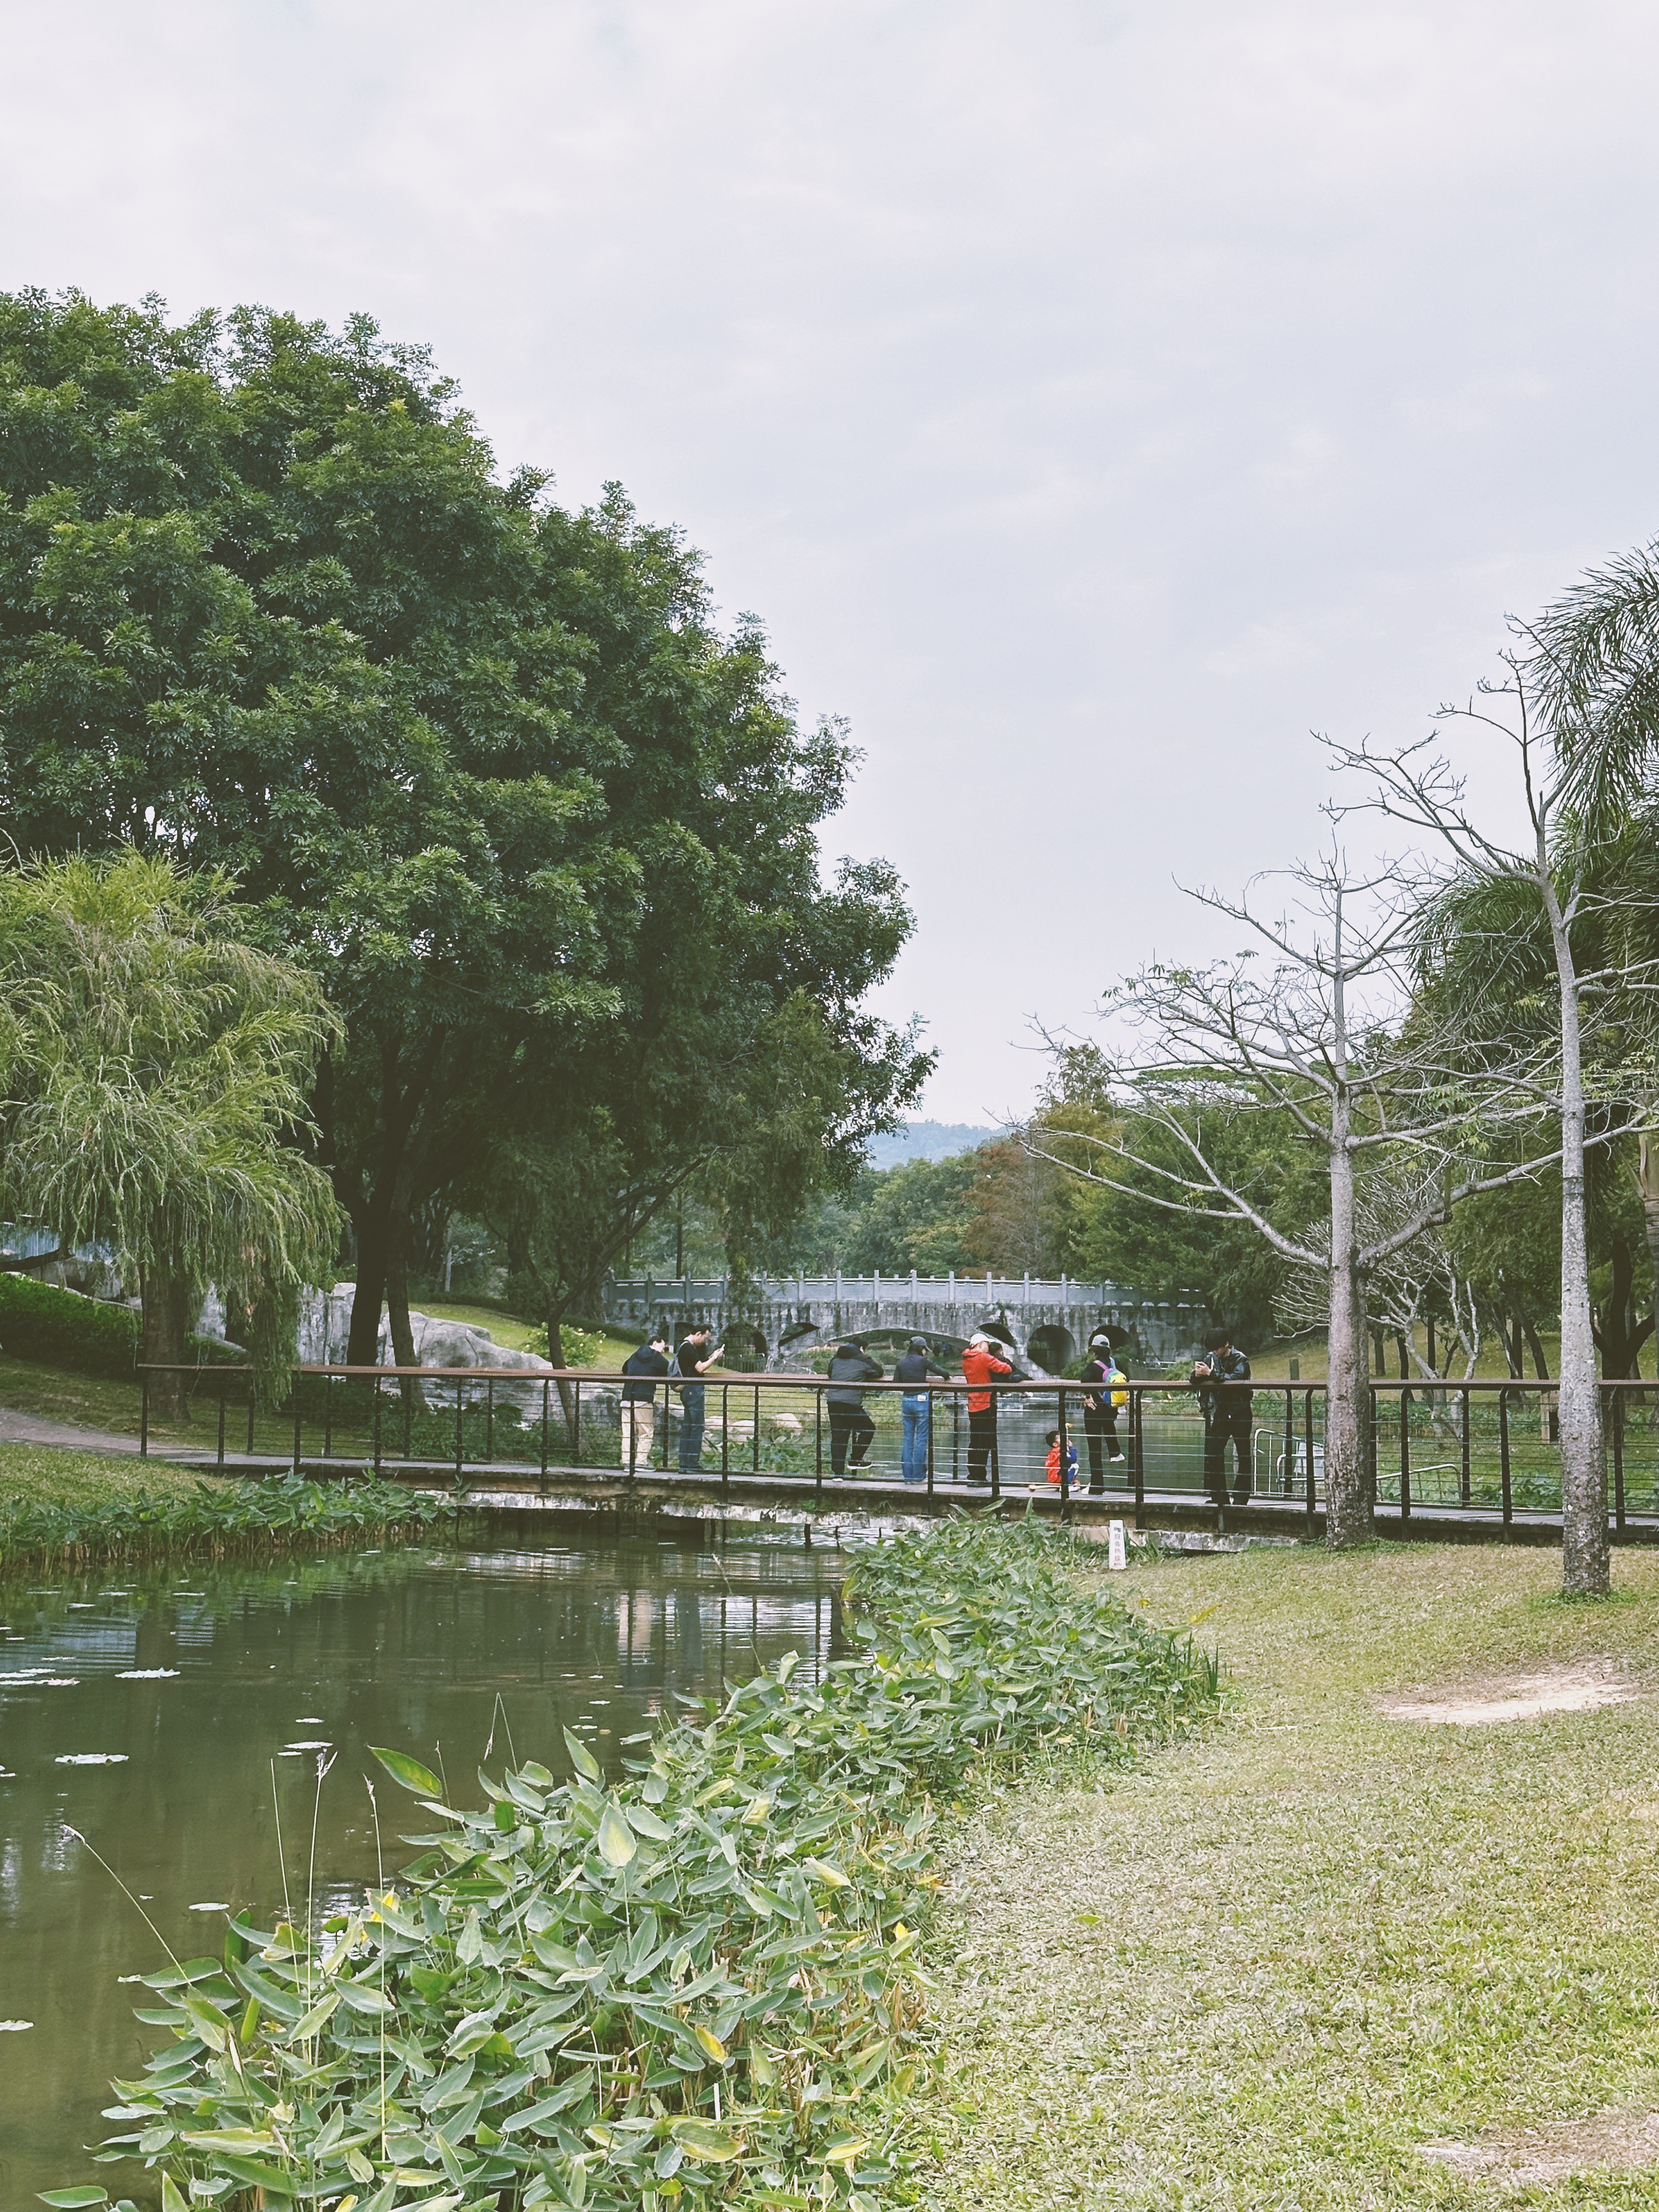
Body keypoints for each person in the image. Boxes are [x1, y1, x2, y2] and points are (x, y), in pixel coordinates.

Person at [1192, 1332, 1252, 1505]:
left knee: (1243, 1454)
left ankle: (1241, 1498)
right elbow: (1196, 1379)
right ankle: (1220, 1496)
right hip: (1222, 1411)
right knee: (1213, 1452)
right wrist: (1197, 1375)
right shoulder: (1211, 1358)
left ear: (1226, 1345)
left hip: (1240, 1411)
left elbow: (1236, 1380)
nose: (1215, 1352)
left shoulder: (1241, 1359)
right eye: (1212, 1349)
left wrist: (1210, 1373)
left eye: (1217, 1348)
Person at [961, 1331, 1015, 1486]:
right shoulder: (983, 1358)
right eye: (986, 1345)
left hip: (972, 1405)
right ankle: (980, 1477)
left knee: (975, 1441)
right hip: (987, 1404)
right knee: (985, 1442)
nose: (988, 1348)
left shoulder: (966, 1360)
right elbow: (1005, 1369)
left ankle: (973, 1475)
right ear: (980, 1345)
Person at [893, 1334, 948, 1483]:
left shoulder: (901, 1362)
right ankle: (918, 1476)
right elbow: (944, 1373)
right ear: (922, 1349)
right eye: (925, 1350)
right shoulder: (923, 1361)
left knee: (908, 1439)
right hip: (921, 1400)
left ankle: (907, 1476)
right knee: (921, 1439)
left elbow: (896, 1382)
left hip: (907, 1400)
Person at [826, 1338, 883, 1476]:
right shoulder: (862, 1359)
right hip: (850, 1403)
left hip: (833, 1402)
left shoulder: (836, 1358)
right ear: (862, 1348)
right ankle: (856, 1460)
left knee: (839, 1437)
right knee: (868, 1429)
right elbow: (878, 1372)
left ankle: (838, 1474)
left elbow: (829, 1373)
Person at [1079, 1332, 1128, 1491]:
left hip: (1094, 1411)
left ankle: (1097, 1486)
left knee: (1094, 1450)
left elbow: (1084, 1381)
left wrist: (1087, 1396)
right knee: (1109, 1428)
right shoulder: (1117, 1364)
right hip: (1111, 1410)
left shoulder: (1093, 1367)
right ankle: (1115, 1452)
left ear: (1094, 1350)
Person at [674, 1322, 724, 1472]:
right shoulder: (688, 1347)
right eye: (705, 1338)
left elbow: (697, 1363)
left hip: (688, 1390)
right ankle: (692, 1463)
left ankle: (685, 1463)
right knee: (696, 1426)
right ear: (698, 1334)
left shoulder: (684, 1347)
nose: (705, 1341)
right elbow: (700, 1368)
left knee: (689, 1426)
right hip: (693, 1389)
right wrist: (714, 1358)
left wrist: (712, 1356)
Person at [619, 1331, 670, 1471]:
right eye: (663, 1347)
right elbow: (669, 1369)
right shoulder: (656, 1357)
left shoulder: (636, 1354)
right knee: (645, 1432)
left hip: (627, 1397)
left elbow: (625, 1369)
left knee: (628, 1432)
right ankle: (641, 1462)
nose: (664, 1351)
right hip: (643, 1398)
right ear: (655, 1344)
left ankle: (627, 1462)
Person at [1043, 1426, 1079, 1491]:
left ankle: (1069, 1483)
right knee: (1075, 1466)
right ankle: (1067, 1486)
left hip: (1054, 1477)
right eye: (1061, 1439)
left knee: (1070, 1467)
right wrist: (1072, 1448)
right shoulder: (1060, 1451)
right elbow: (1073, 1460)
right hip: (1058, 1477)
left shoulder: (1054, 1452)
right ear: (1055, 1444)